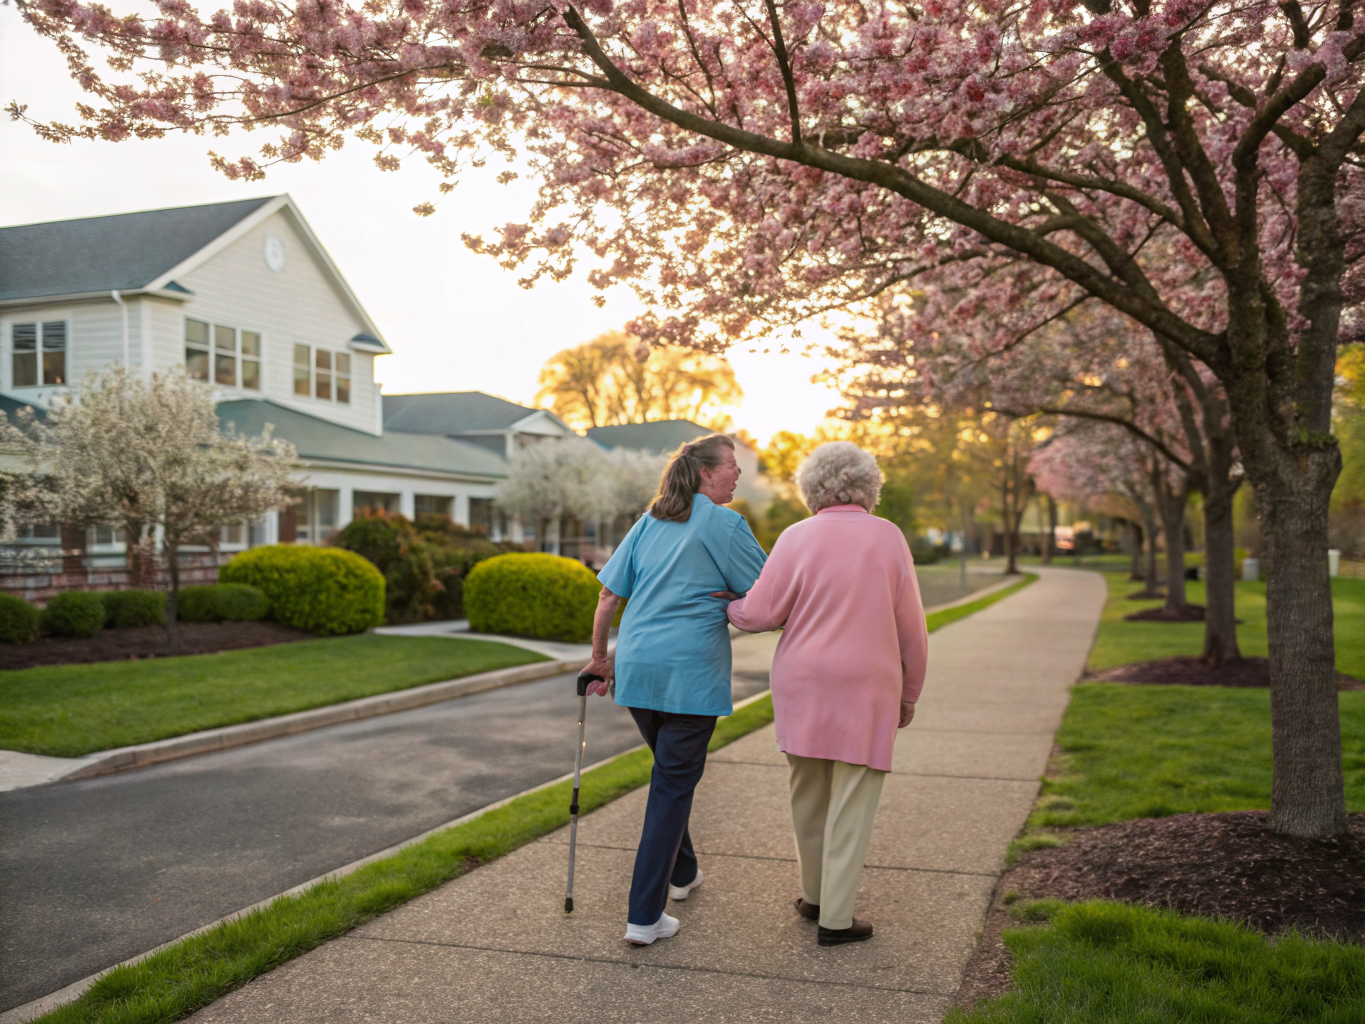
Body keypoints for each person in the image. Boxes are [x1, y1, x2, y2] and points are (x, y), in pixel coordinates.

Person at [724, 442, 928, 946]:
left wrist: (729, 607)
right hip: (868, 683)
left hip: (802, 681)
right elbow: (912, 629)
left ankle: (813, 896)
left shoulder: (795, 537)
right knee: (853, 801)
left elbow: (761, 613)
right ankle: (836, 919)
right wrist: (910, 693)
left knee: (807, 793)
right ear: (869, 485)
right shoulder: (888, 537)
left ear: (811, 486)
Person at [582, 433, 767, 946]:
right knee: (670, 788)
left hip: (637, 671)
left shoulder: (648, 522)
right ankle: (644, 916)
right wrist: (739, 598)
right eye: (731, 466)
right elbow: (773, 593)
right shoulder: (725, 523)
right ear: (707, 472)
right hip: (688, 673)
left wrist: (600, 659)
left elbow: (606, 596)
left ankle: (683, 875)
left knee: (670, 778)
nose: (737, 474)